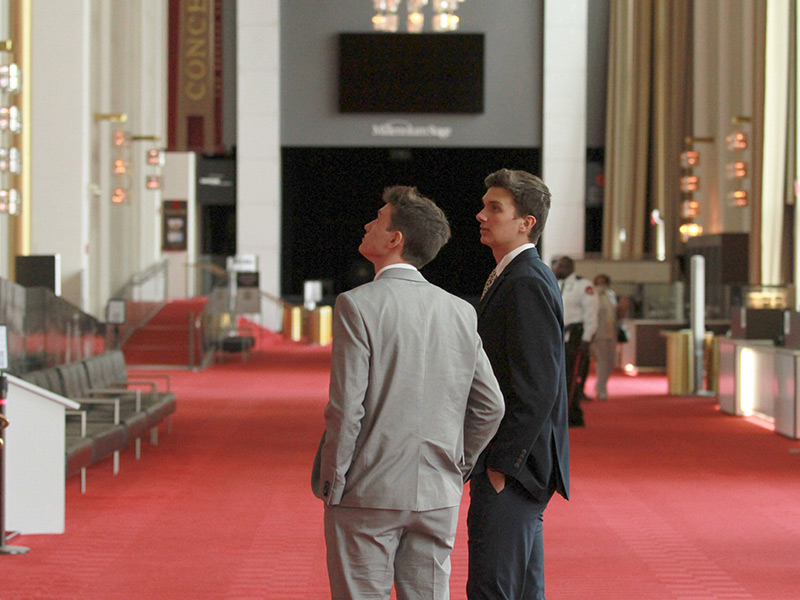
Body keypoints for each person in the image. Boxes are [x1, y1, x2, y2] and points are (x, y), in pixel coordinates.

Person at [311, 185, 505, 600]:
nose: (367, 225)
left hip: (367, 490)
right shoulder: (458, 309)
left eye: (377, 220)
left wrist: (333, 481)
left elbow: (347, 409)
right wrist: (458, 464)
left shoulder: (357, 304)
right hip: (437, 493)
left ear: (395, 239)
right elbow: (491, 406)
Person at [468, 168, 570, 600]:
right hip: (518, 466)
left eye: (495, 208)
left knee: (493, 589)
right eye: (484, 206)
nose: (481, 216)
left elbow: (538, 387)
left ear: (526, 222)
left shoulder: (525, 279)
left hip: (513, 468)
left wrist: (502, 467)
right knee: (521, 590)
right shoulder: (518, 275)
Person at [552, 255, 598, 427]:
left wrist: (587, 338)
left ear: (571, 267)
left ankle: (571, 414)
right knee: (557, 376)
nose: (558, 269)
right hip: (557, 336)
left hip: (575, 336)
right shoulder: (554, 283)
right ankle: (561, 413)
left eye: (562, 266)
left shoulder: (583, 286)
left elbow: (590, 314)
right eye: (557, 266)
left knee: (572, 376)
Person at [591, 273, 618, 400]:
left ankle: (602, 385)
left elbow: (614, 313)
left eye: (603, 283)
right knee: (602, 362)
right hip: (599, 333)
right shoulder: (593, 295)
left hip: (611, 332)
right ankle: (601, 389)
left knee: (611, 362)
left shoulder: (611, 295)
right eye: (599, 283)